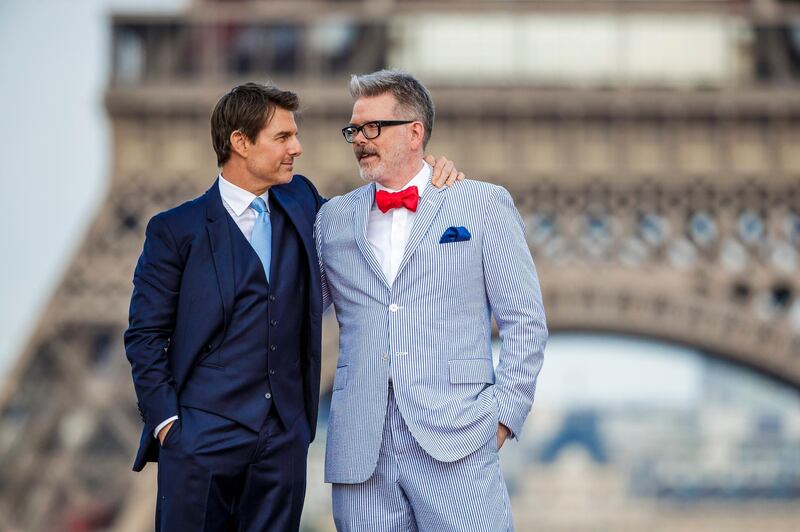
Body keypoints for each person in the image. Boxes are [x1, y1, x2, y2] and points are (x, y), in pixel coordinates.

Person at [123, 82, 461, 532]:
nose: (297, 148)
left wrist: (425, 174)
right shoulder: (174, 230)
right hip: (200, 439)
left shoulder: (302, 201)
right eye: (283, 137)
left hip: (282, 441)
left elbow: (371, 217)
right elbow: (145, 335)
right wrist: (171, 428)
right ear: (240, 143)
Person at [315, 70, 548, 531]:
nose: (359, 139)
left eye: (372, 128)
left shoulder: (481, 204)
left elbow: (525, 321)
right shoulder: (332, 220)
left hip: (458, 440)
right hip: (361, 448)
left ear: (415, 132)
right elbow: (290, 317)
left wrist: (502, 418)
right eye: (353, 131)